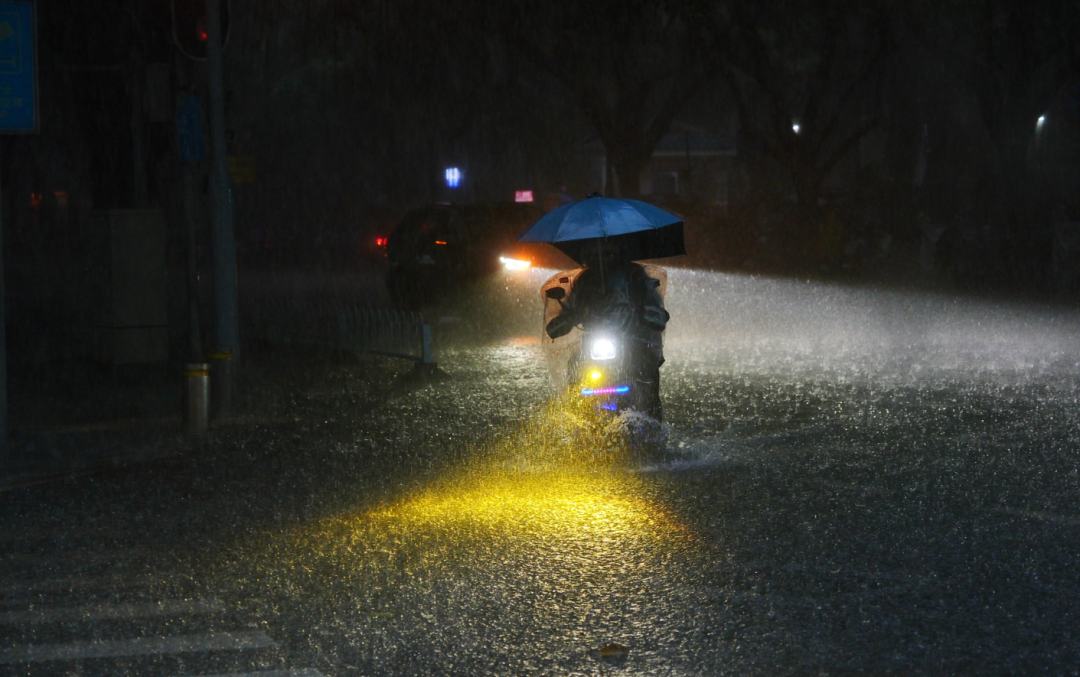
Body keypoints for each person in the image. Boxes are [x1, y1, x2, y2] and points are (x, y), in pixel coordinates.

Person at [545, 239, 670, 417]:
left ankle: (652, 422)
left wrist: (650, 313)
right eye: (596, 254)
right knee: (575, 365)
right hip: (595, 343)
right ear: (588, 255)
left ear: (619, 252)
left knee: (646, 370)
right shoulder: (584, 280)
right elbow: (572, 308)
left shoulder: (634, 275)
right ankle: (577, 417)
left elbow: (652, 303)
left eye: (607, 253)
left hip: (633, 341)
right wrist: (563, 320)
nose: (602, 259)